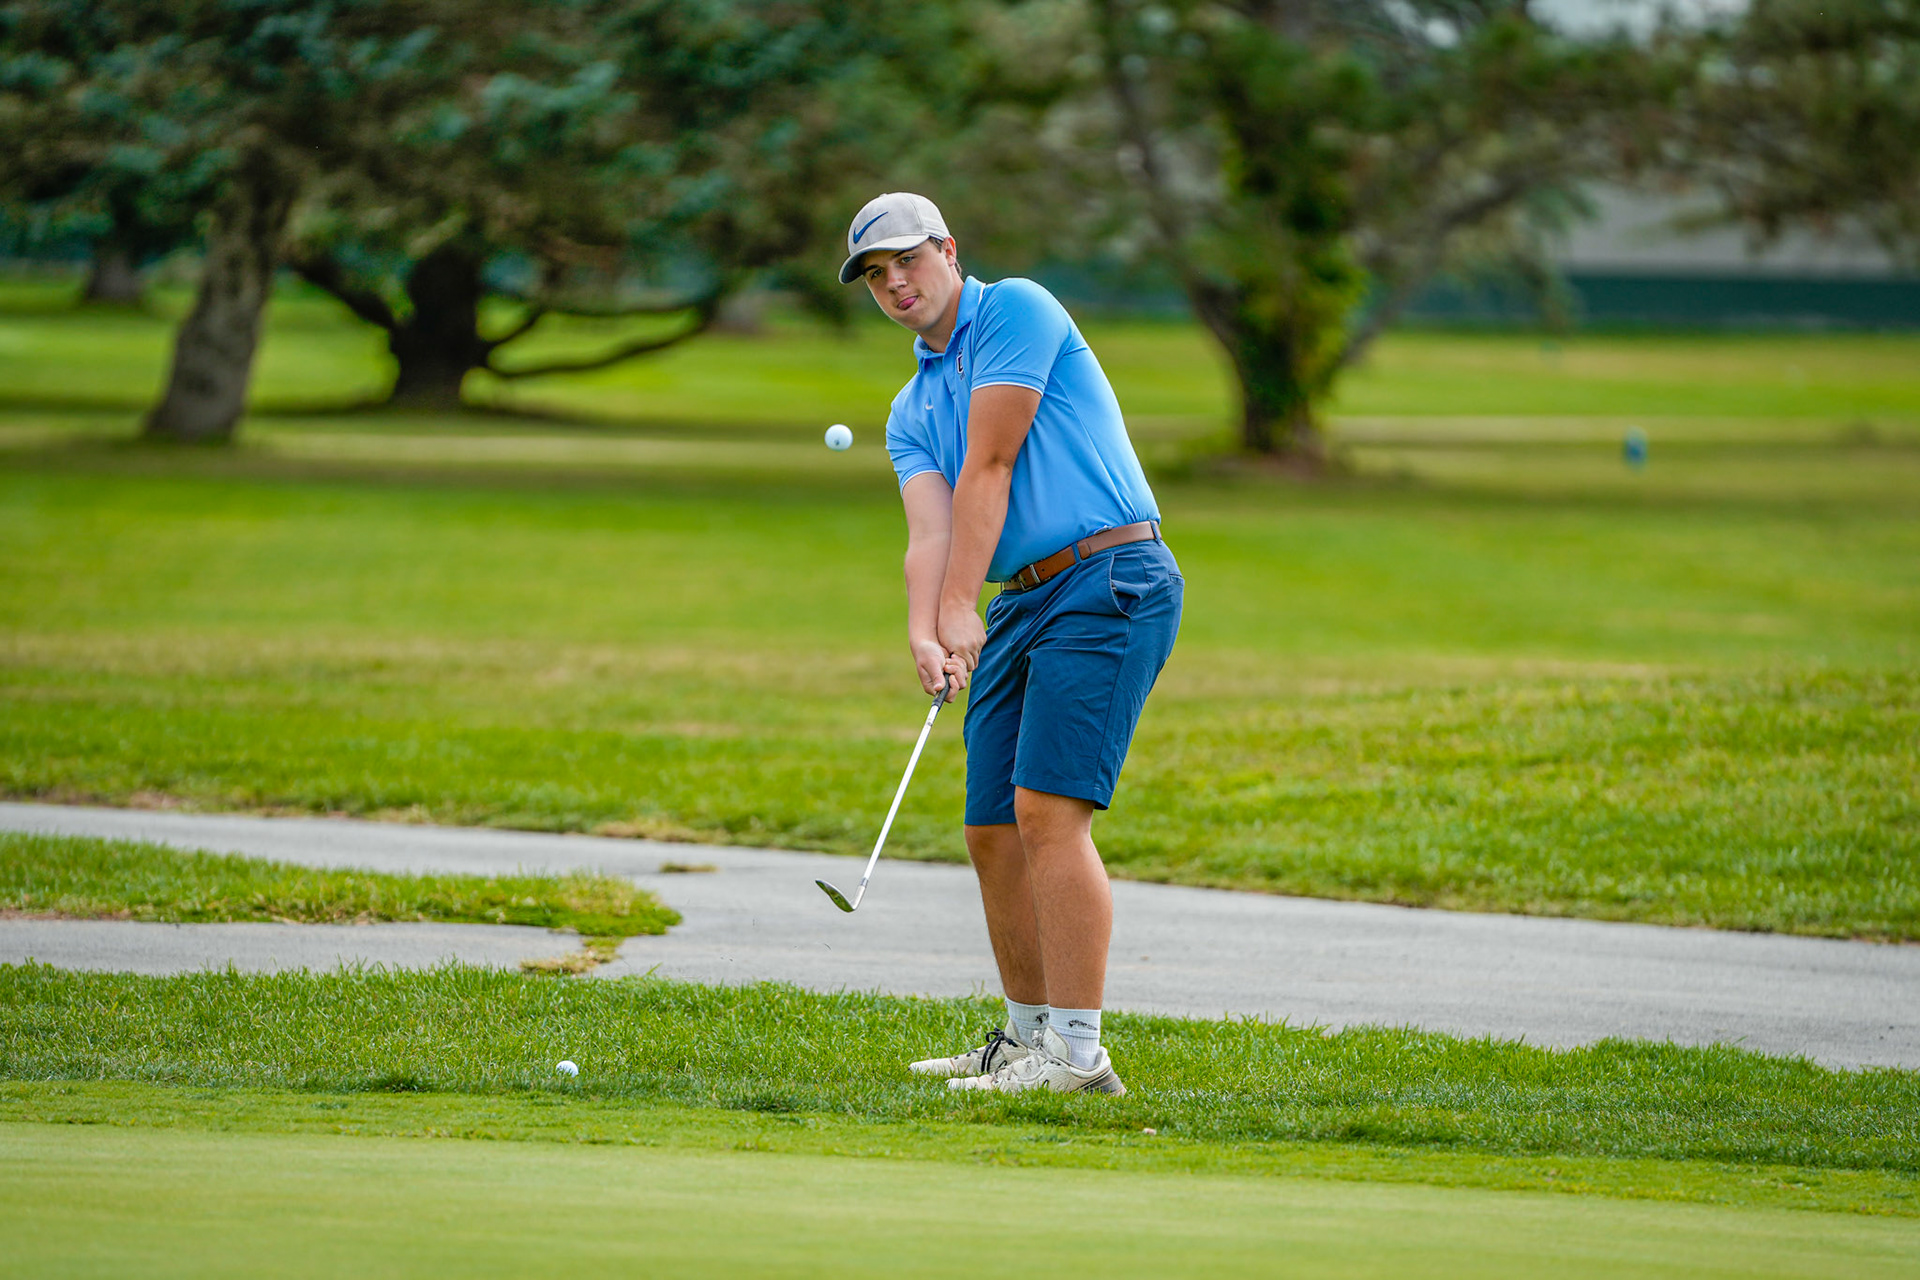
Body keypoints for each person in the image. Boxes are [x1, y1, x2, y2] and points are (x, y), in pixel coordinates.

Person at [840, 192, 1183, 1095]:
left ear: (949, 249)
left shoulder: (1017, 312)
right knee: (991, 827)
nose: (896, 283)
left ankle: (1077, 1054)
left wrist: (962, 605)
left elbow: (991, 465)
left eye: (908, 260)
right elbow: (930, 530)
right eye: (876, 275)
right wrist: (926, 631)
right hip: (1023, 600)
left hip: (1108, 577)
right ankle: (1029, 1038)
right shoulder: (911, 408)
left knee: (1046, 814)